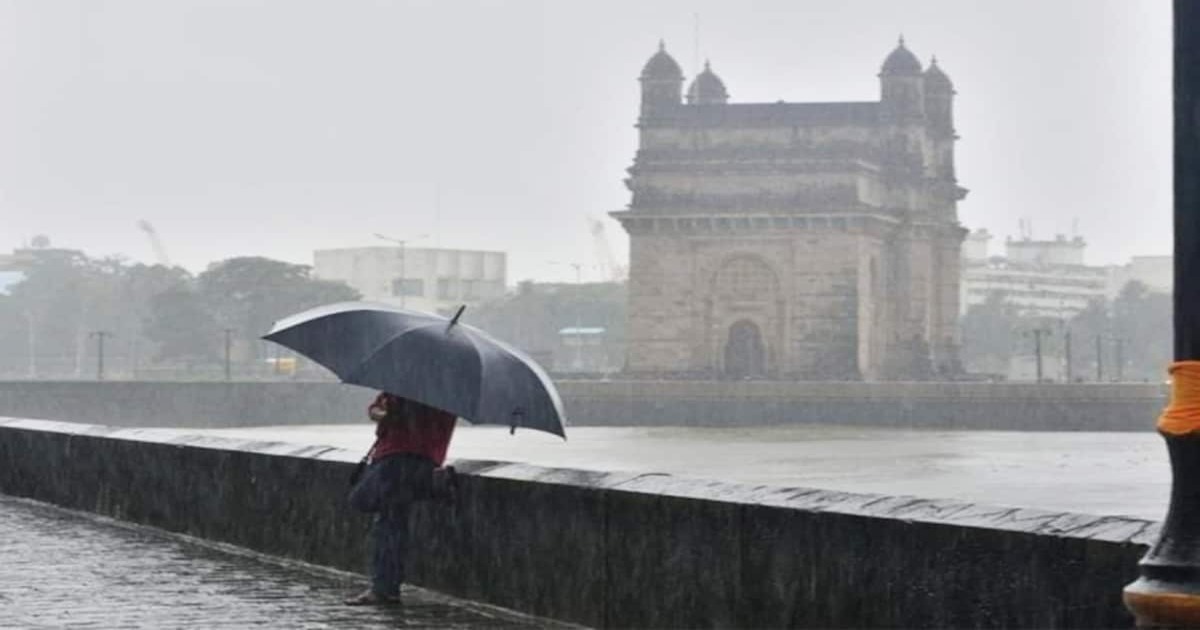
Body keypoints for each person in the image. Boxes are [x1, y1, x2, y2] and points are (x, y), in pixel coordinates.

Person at [344, 392, 457, 606]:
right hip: (424, 460)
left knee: (388, 524)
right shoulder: (447, 390)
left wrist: (389, 414)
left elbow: (379, 411)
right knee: (392, 522)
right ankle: (387, 586)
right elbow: (376, 409)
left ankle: (384, 588)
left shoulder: (409, 385)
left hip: (396, 461)